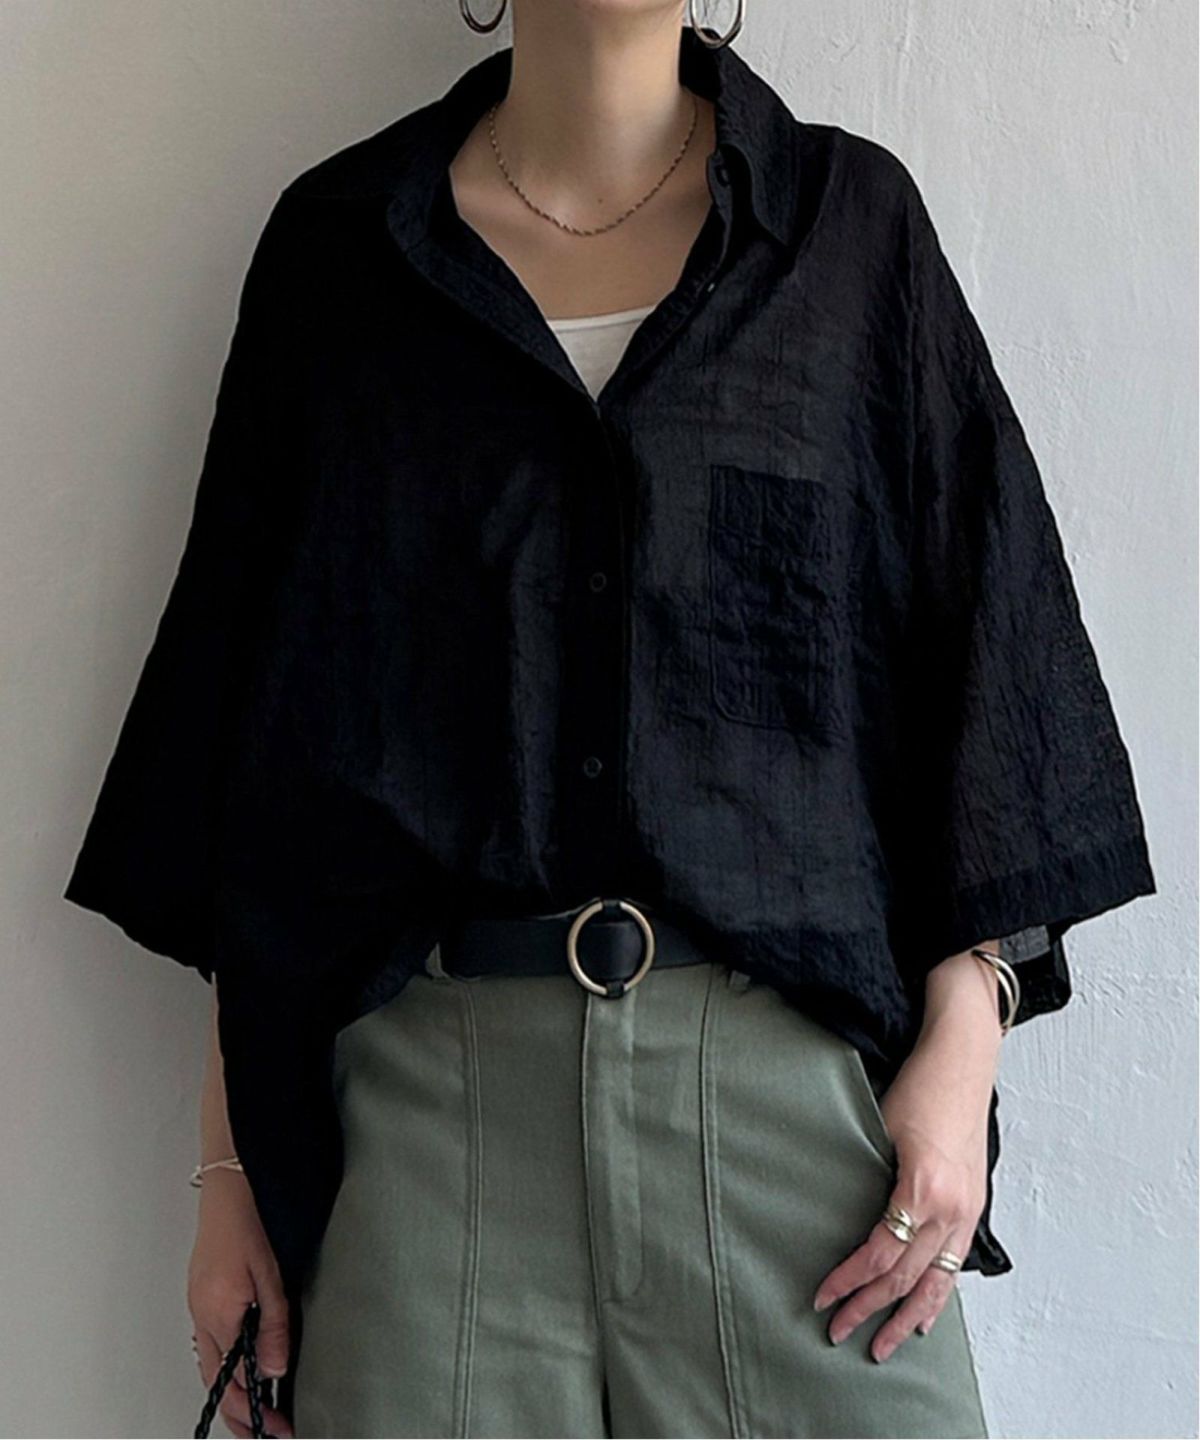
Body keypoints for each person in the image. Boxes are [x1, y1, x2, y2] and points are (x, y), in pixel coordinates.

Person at [63, 3, 1157, 1437]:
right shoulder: (344, 253)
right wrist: (229, 1181)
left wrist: (966, 1049)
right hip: (433, 1135)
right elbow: (250, 768)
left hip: (789, 1130)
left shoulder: (847, 231)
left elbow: (991, 656)